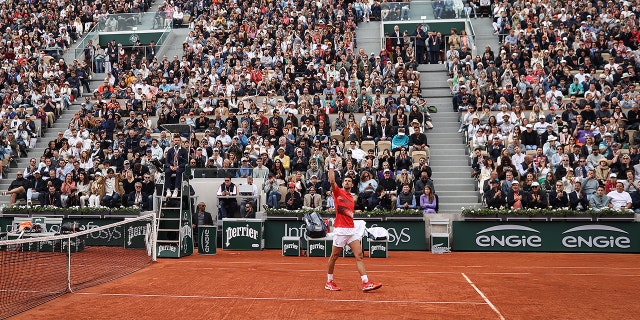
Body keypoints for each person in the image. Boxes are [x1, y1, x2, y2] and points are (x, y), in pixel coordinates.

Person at [325, 157, 382, 292]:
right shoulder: (337, 192)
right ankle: (329, 281)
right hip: (340, 230)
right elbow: (332, 180)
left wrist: (354, 211)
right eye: (345, 180)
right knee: (334, 257)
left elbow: (347, 211)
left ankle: (366, 282)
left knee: (359, 255)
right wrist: (331, 165)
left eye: (349, 181)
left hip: (351, 230)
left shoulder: (351, 197)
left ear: (352, 185)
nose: (347, 182)